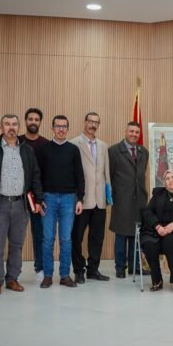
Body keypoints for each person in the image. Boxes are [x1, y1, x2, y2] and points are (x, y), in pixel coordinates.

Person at [0, 114, 43, 295]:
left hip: (21, 205)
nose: (11, 127)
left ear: (19, 128)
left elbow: (35, 176)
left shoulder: (27, 150)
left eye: (14, 124)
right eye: (7, 124)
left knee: (17, 244)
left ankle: (12, 278)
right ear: (1, 127)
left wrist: (38, 200)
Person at [35, 115, 84, 288]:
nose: (61, 129)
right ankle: (47, 275)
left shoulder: (73, 150)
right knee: (48, 239)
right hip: (48, 198)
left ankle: (64, 275)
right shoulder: (43, 149)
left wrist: (80, 199)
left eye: (64, 126)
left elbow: (80, 176)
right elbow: (37, 176)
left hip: (69, 199)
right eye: (58, 126)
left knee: (66, 239)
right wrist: (39, 199)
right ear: (52, 128)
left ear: (68, 129)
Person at [70, 112, 111, 283]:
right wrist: (75, 197)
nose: (93, 125)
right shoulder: (73, 144)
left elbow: (106, 172)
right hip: (81, 200)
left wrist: (108, 195)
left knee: (97, 237)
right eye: (90, 121)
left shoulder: (103, 146)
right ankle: (79, 270)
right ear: (84, 122)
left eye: (96, 122)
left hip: (99, 200)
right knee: (76, 237)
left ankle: (93, 269)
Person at [140, 169, 173, 293]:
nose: (170, 180)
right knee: (149, 244)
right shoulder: (158, 193)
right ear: (164, 182)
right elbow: (148, 212)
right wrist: (157, 226)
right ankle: (157, 280)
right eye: (167, 179)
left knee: (169, 241)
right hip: (155, 230)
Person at [109, 121, 149, 278]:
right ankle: (120, 268)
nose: (134, 134)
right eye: (131, 131)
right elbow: (110, 176)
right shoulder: (113, 151)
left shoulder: (143, 152)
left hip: (139, 200)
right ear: (125, 132)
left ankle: (135, 266)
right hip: (121, 199)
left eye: (137, 132)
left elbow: (141, 175)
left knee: (136, 234)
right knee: (121, 235)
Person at [21, 108, 49, 282]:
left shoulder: (46, 144)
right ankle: (13, 271)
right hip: (18, 196)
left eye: (36, 119)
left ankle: (40, 268)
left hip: (38, 198)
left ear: (40, 122)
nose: (33, 122)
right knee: (15, 235)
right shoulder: (17, 142)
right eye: (30, 119)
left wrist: (41, 197)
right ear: (25, 121)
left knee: (39, 234)